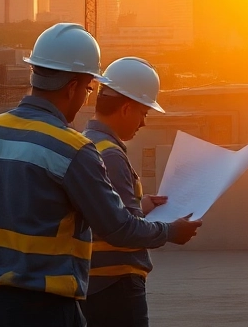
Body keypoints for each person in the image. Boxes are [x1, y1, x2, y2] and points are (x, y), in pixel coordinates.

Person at [0, 24, 202, 326]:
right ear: (73, 87)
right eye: (88, 89)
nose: (87, 99)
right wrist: (169, 232)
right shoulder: (71, 148)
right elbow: (118, 228)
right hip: (43, 307)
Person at [81, 57, 168, 327]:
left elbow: (104, 214)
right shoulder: (112, 154)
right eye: (143, 113)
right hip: (117, 284)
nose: (143, 123)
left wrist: (142, 205)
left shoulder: (86, 143)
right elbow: (124, 231)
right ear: (127, 108)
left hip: (91, 283)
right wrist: (172, 230)